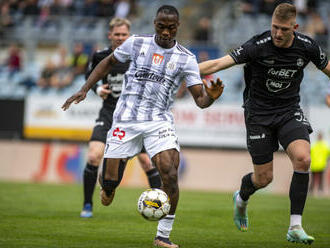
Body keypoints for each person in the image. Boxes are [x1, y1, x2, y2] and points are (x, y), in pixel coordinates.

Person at [62, 5, 224, 248]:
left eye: (171, 28)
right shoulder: (136, 43)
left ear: (177, 26)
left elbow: (200, 100)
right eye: (161, 27)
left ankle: (163, 236)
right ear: (154, 24)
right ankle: (107, 187)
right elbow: (107, 62)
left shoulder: (186, 58)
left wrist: (211, 96)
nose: (166, 32)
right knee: (109, 184)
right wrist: (85, 89)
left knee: (169, 173)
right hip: (125, 120)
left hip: (158, 121)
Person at [199, 3, 330, 245]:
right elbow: (218, 63)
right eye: (274, 28)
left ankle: (295, 226)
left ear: (295, 27)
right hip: (258, 115)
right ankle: (242, 198)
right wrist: (181, 71)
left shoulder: (307, 46)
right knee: (264, 178)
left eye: (283, 29)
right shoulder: (257, 46)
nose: (277, 34)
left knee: (303, 159)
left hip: (289, 111)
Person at [80, 17, 162, 218]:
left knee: (148, 163)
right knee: (93, 156)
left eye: (124, 34)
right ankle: (88, 205)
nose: (120, 37)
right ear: (110, 35)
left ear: (129, 35)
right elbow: (88, 77)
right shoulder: (101, 56)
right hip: (109, 113)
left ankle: (160, 205)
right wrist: (97, 88)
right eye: (116, 34)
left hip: (134, 117)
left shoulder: (139, 56)